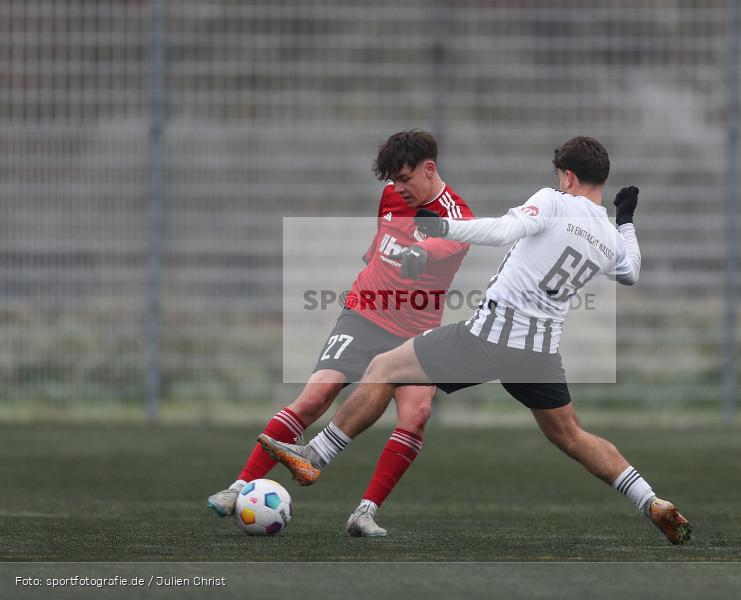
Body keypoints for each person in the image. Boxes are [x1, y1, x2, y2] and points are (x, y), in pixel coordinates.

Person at [259, 136, 692, 544]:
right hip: (539, 355)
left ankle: (315, 456)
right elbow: (631, 271)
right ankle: (651, 500)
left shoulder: (553, 201)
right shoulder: (609, 236)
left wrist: (443, 227)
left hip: (490, 337)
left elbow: (503, 231)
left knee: (384, 368)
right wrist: (628, 219)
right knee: (573, 436)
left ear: (567, 177)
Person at [208, 129, 474, 537]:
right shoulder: (391, 195)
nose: (397, 188)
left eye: (405, 179)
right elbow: (383, 237)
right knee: (316, 394)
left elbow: (444, 246)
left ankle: (364, 512)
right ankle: (238, 487)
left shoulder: (459, 218)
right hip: (364, 314)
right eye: (393, 181)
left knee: (416, 415)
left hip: (415, 334)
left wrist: (420, 255)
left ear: (429, 169)